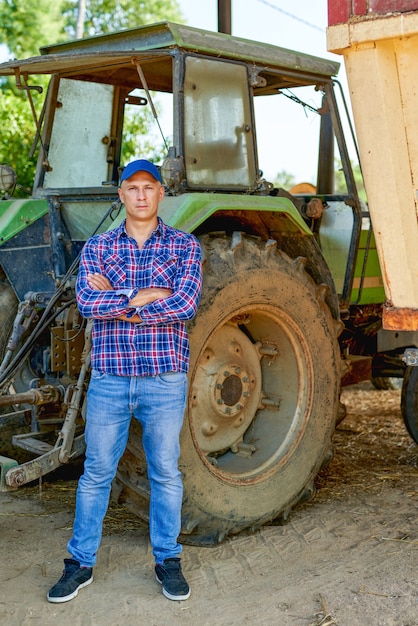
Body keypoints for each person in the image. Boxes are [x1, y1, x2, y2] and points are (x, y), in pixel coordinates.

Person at [47, 159, 202, 604]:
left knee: (165, 473)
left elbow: (186, 303)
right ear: (121, 194)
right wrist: (149, 296)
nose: (140, 195)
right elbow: (87, 301)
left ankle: (168, 559)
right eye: (131, 188)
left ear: (160, 194)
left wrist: (118, 298)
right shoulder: (97, 247)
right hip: (111, 378)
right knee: (96, 472)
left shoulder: (184, 246)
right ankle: (79, 564)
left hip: (163, 378)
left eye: (148, 187)